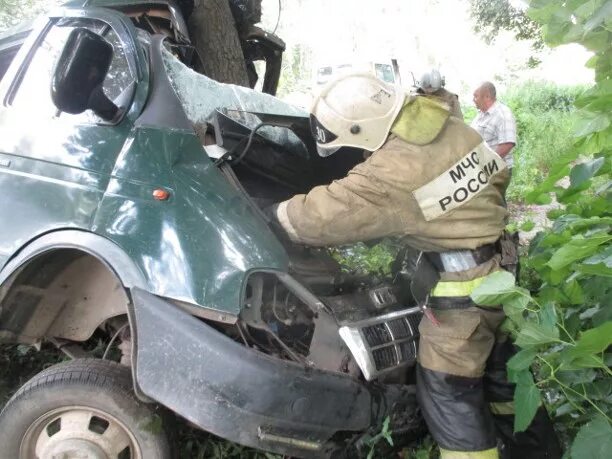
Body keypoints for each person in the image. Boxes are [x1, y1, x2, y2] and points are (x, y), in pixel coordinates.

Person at [271, 73, 561, 459]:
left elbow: (314, 219)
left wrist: (267, 211)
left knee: (449, 389)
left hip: (464, 293)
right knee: (502, 374)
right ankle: (539, 451)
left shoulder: (393, 172)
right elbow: (479, 154)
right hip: (500, 270)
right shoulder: (451, 127)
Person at [471, 82, 517, 171]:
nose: (473, 100)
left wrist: (488, 165)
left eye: (476, 96)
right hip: (481, 169)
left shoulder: (503, 114)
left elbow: (507, 144)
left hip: (496, 170)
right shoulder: (480, 114)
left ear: (487, 97)